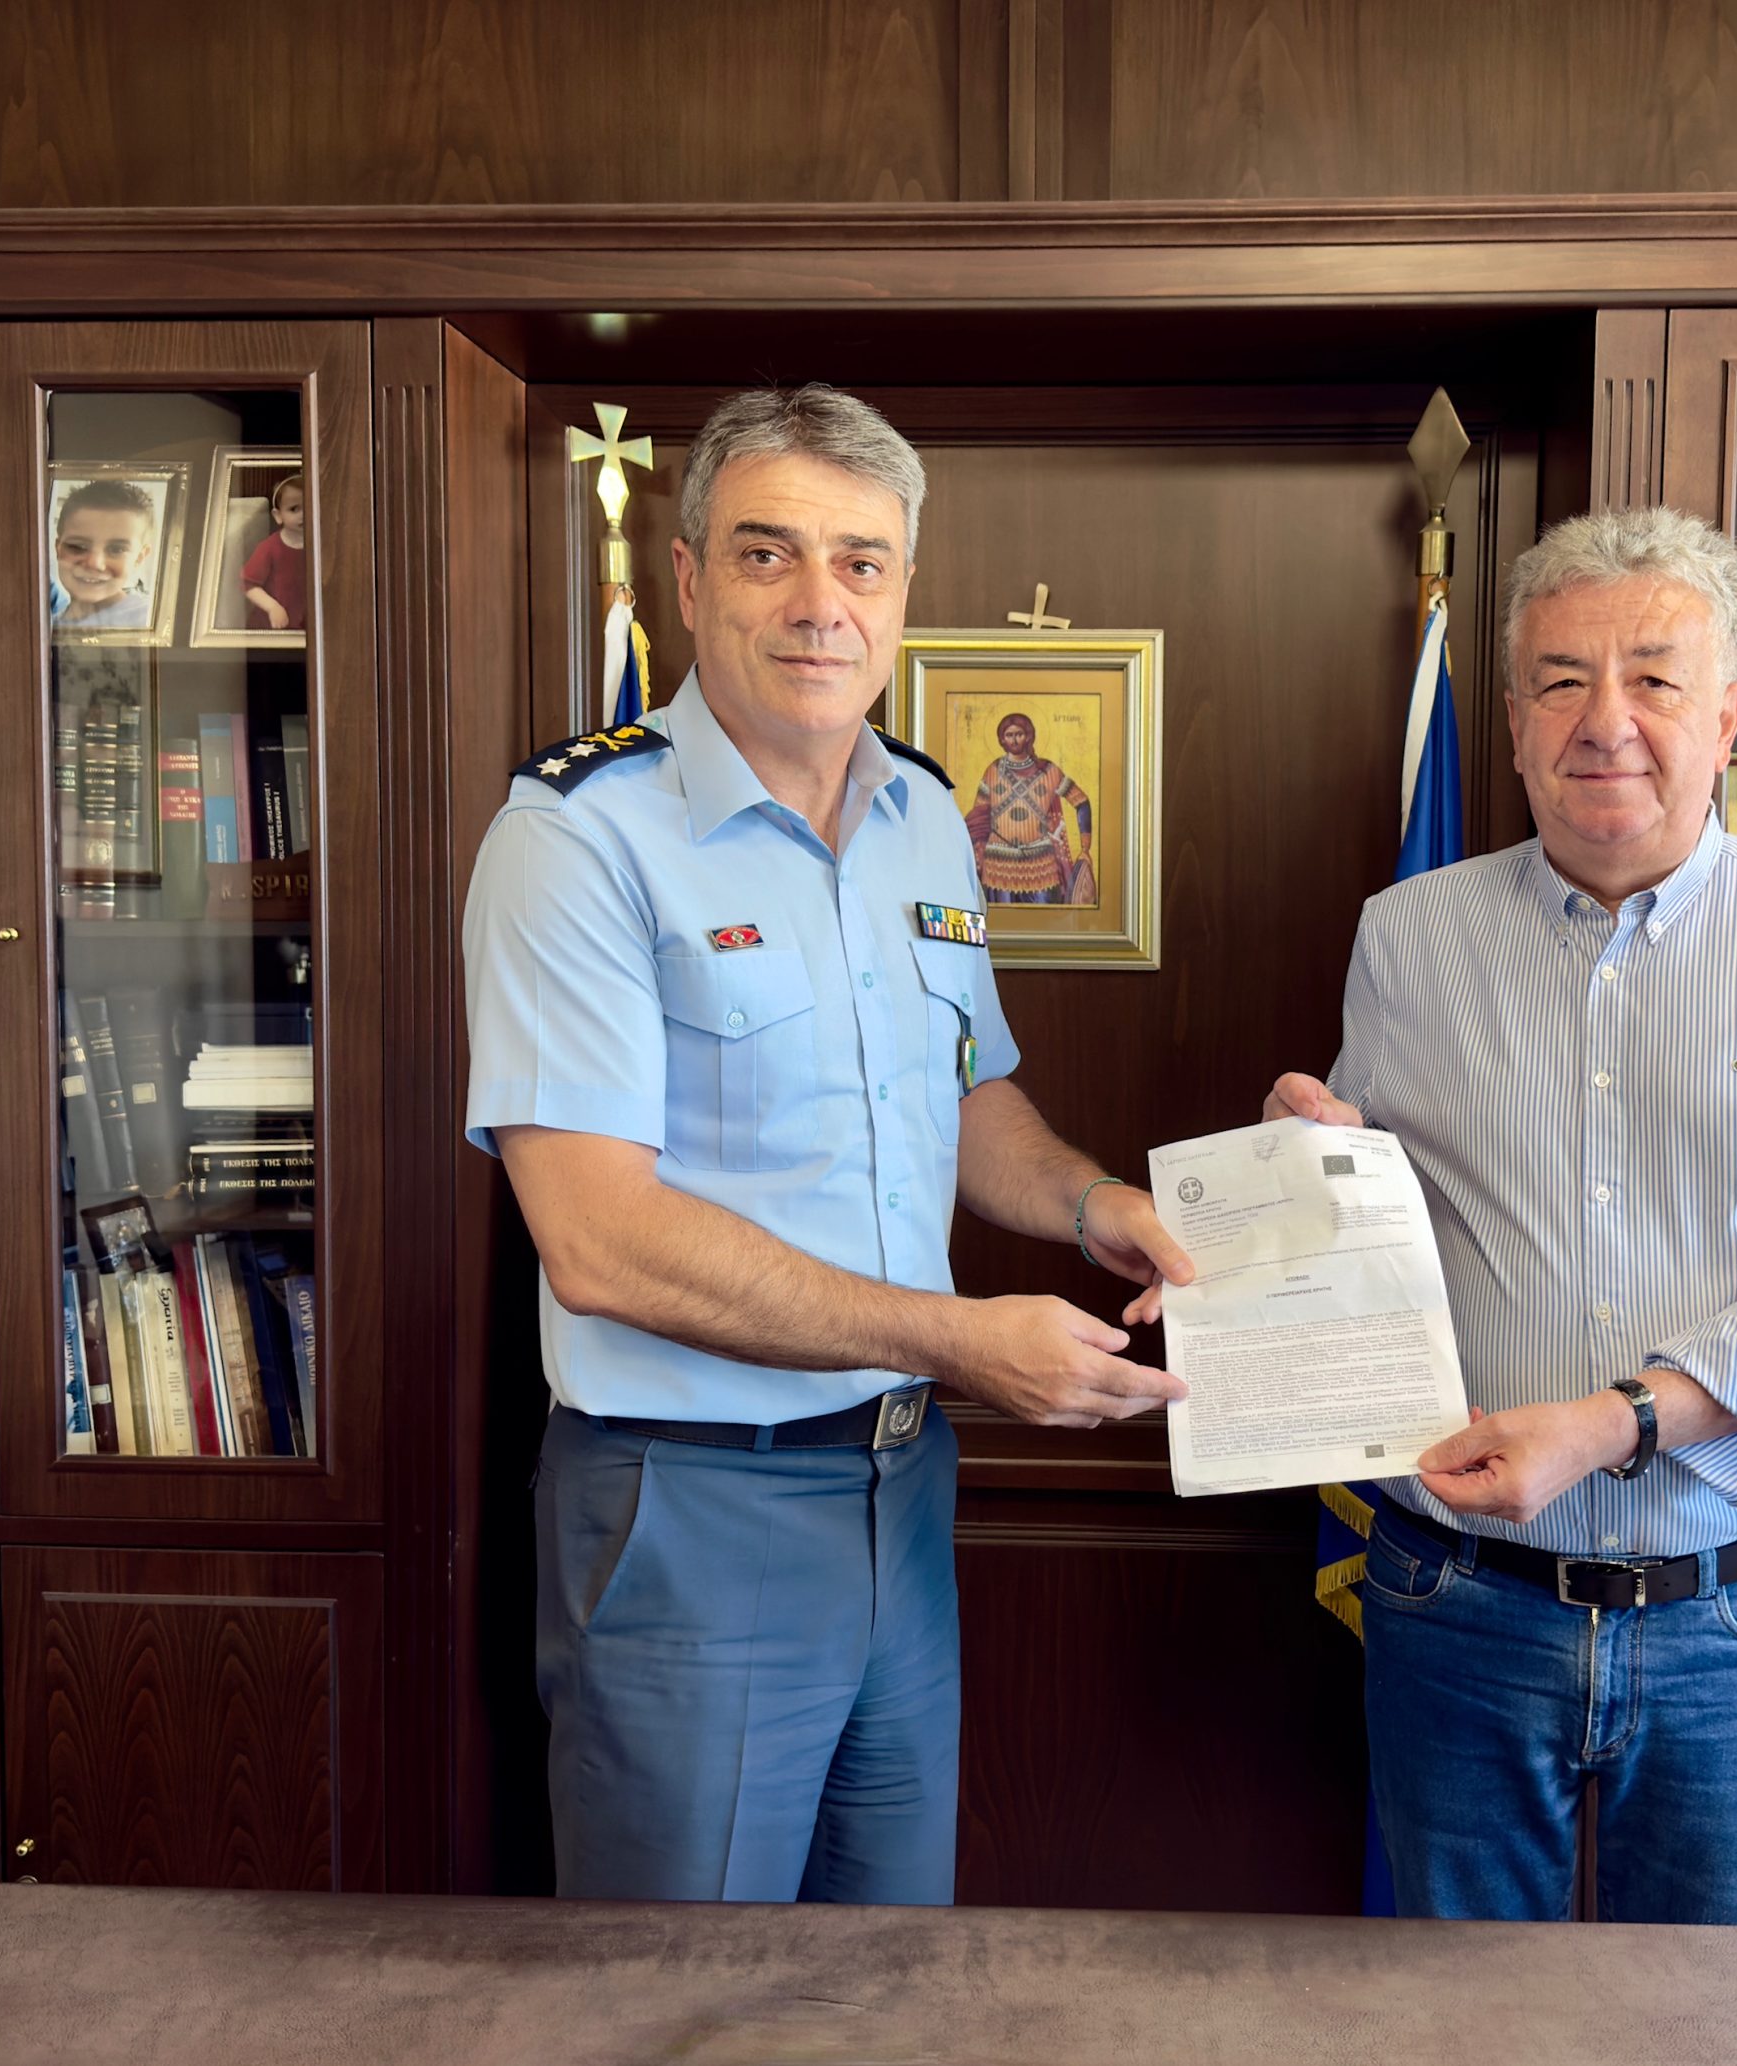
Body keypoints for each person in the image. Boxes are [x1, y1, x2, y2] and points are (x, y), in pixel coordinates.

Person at [461, 384, 1193, 1905]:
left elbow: (964, 1096)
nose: (819, 602)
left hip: (901, 1493)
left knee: (888, 1975)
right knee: (685, 1992)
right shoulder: (579, 834)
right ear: (687, 578)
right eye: (767, 552)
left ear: (903, 587)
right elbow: (597, 1242)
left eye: (861, 561)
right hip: (689, 1503)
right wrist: (959, 1337)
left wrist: (1092, 1204)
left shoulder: (923, 812)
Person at [1259, 506, 1737, 1926]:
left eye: (1653, 677)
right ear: (1514, 722)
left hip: (1735, 1612)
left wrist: (1603, 1423)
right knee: (1456, 2016)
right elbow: (1380, 1221)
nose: (1606, 721)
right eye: (1562, 680)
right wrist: (1294, 1193)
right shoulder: (1410, 933)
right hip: (1456, 1600)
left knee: (1705, 2017)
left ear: (1732, 710)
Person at [965, 710, 1095, 904]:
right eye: (1009, 735)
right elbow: (979, 818)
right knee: (1000, 920)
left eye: (1019, 734)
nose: (1014, 740)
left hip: (1040, 863)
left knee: (1045, 919)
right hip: (998, 864)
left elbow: (1082, 802)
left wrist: (1085, 848)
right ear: (1001, 739)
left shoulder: (1048, 771)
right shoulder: (993, 770)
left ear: (1028, 736)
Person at [49, 478, 159, 632]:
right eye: (78, 547)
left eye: (116, 549)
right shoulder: (47, 628)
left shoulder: (149, 621)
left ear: (139, 558)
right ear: (58, 549)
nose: (95, 563)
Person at [241, 473, 309, 633]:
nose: (303, 514)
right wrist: (272, 607)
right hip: (272, 628)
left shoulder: (324, 546)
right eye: (294, 509)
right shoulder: (270, 547)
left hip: (306, 628)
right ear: (278, 516)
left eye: (310, 507)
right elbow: (248, 584)